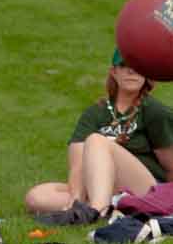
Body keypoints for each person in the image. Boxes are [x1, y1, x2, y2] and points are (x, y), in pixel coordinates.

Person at [25, 49, 173, 225]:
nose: (131, 71)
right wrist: (75, 200)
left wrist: (167, 204)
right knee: (37, 196)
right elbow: (77, 164)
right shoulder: (95, 113)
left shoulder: (155, 111)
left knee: (96, 141)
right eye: (124, 66)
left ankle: (96, 211)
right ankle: (108, 208)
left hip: (147, 190)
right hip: (104, 188)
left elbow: (170, 165)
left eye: (137, 67)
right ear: (114, 72)